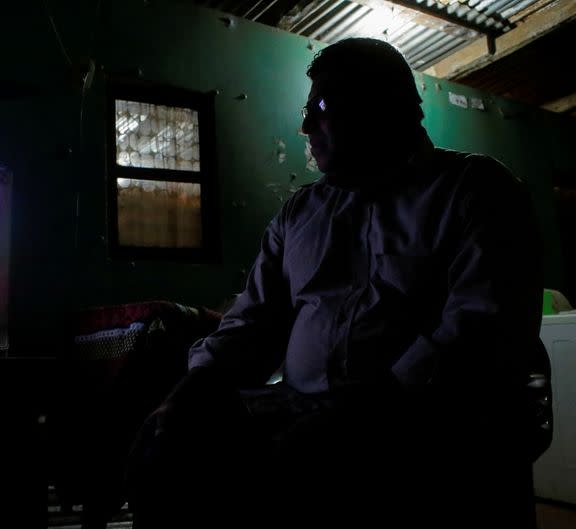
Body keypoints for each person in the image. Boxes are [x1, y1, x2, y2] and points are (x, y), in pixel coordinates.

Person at [126, 38, 544, 529]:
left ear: (383, 104)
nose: (305, 126)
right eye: (307, 110)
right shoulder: (300, 214)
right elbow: (253, 325)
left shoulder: (474, 189)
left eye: (322, 107)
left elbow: (477, 332)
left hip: (425, 426)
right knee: (167, 451)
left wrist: (352, 420)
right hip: (307, 418)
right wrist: (187, 396)